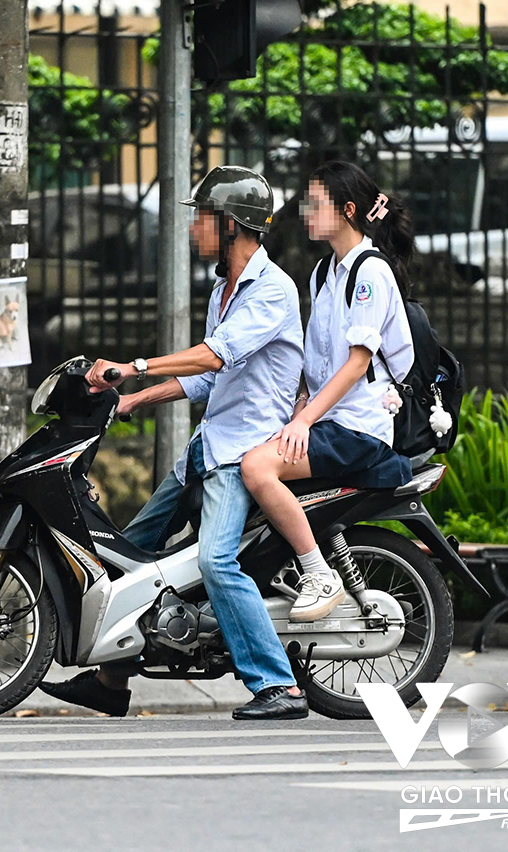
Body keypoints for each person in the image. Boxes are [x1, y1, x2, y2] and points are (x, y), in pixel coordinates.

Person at [39, 166, 309, 721]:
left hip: (243, 454)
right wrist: (133, 401)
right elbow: (207, 380)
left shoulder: (273, 290)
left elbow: (214, 356)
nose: (193, 229)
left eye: (202, 218)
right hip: (208, 445)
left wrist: (132, 368)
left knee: (215, 560)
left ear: (233, 225)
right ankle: (112, 682)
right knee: (127, 552)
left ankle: (279, 686)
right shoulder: (223, 289)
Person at [240, 161, 415, 623]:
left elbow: (357, 364)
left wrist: (302, 421)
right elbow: (317, 360)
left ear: (348, 211)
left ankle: (319, 572)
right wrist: (298, 404)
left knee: (257, 467)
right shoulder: (324, 273)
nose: (306, 213)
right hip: (327, 419)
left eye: (316, 205)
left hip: (358, 427)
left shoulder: (370, 273)